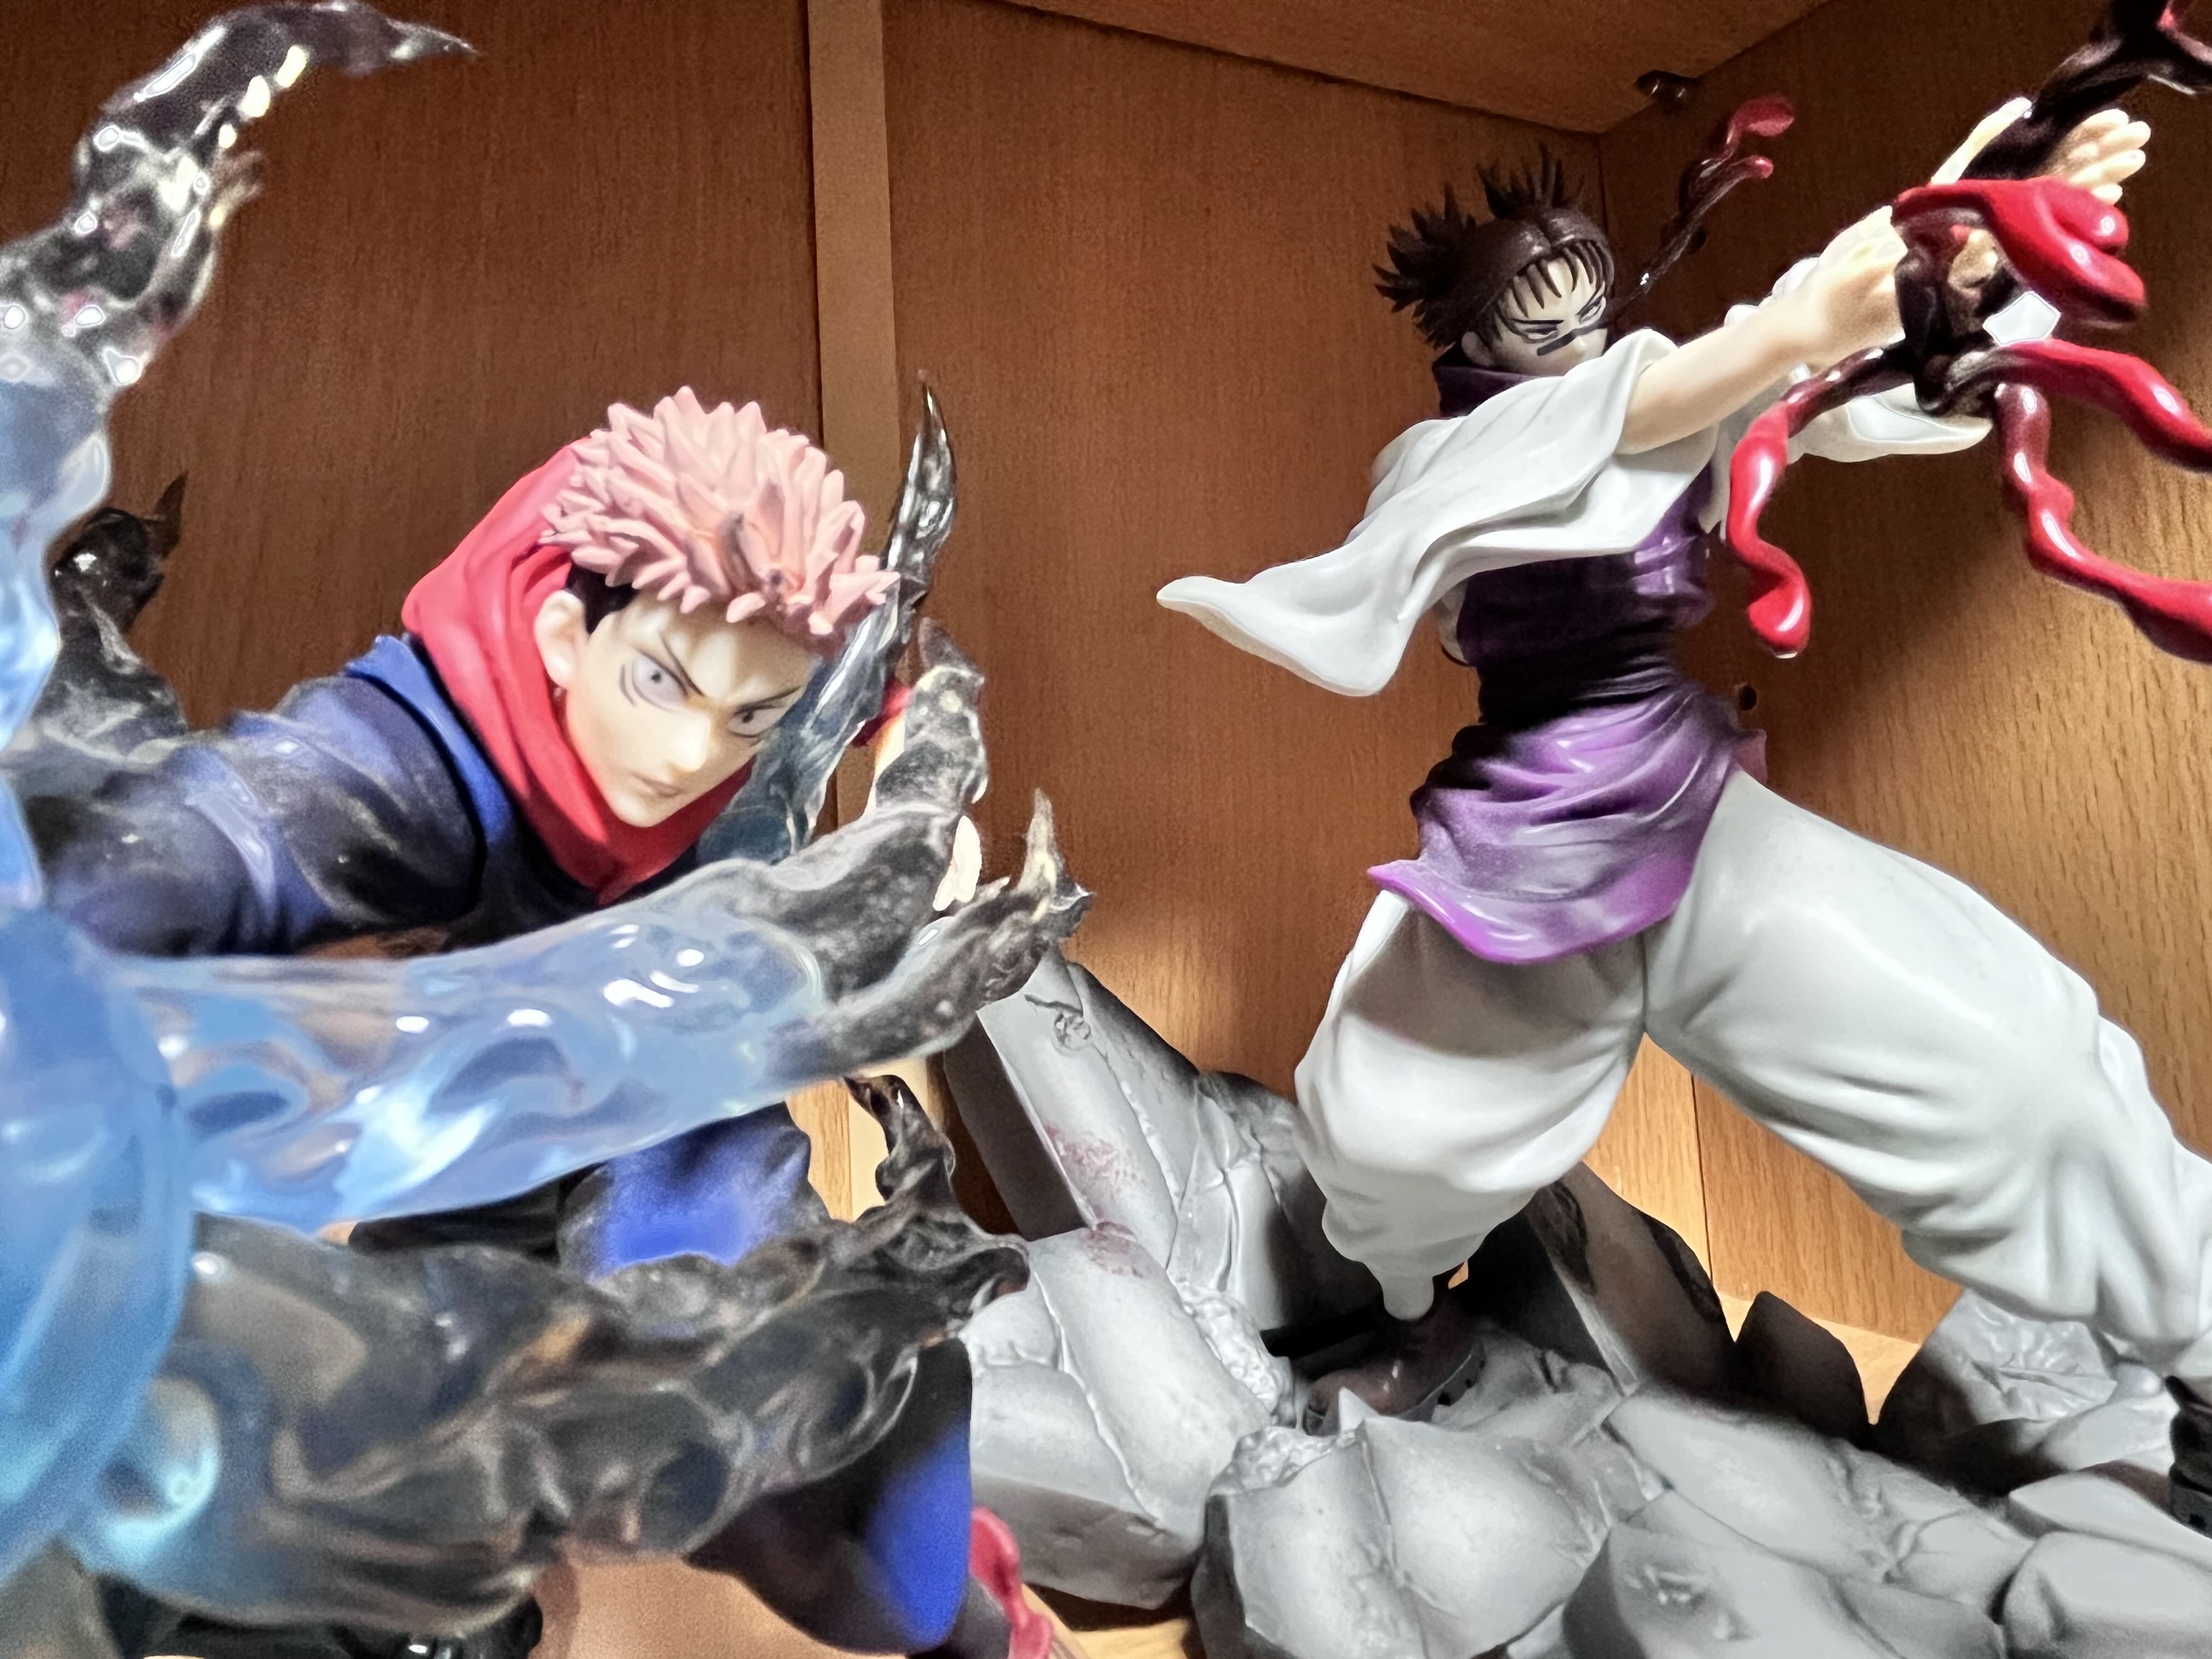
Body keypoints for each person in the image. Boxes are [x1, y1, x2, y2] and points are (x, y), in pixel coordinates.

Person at [1158, 100, 2212, 1528]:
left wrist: (1973, 253)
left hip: (1696, 813)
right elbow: (1639, 407)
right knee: (1396, 1137)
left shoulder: (1670, 394)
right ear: (1472, 332)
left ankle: (2205, 1354)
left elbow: (1836, 390)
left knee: (2018, 1056)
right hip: (1530, 848)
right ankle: (1408, 1322)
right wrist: (1795, 323)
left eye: (1583, 283)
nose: (1573, 321)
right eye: (1534, 301)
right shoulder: (1453, 459)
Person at [24, 388, 1041, 1657]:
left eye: (747, 718)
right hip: (475, 1108)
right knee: (383, 1451)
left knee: (827, 1509)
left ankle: (952, 1563)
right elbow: (231, 836)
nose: (687, 755)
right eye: (660, 685)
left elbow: (859, 674)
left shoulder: (755, 691)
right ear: (567, 636)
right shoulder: (418, 750)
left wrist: (909, 804)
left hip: (668, 1067)